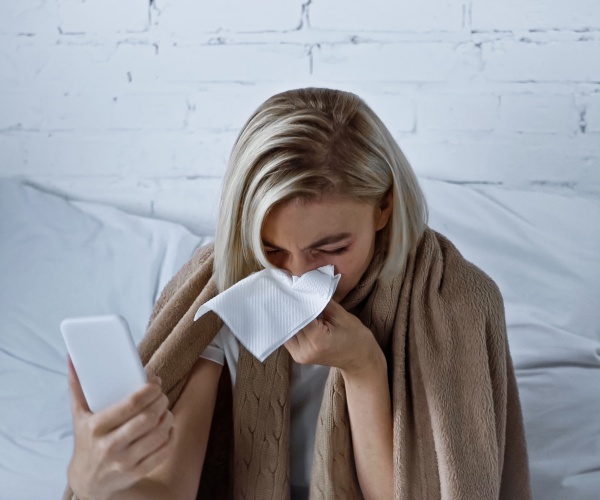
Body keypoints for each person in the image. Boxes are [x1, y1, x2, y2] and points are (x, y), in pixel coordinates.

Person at [65, 87, 531, 499]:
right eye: (271, 249)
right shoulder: (226, 296)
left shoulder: (455, 301)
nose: (295, 273)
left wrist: (364, 366)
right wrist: (94, 481)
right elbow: (171, 489)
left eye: (329, 248)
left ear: (384, 207)